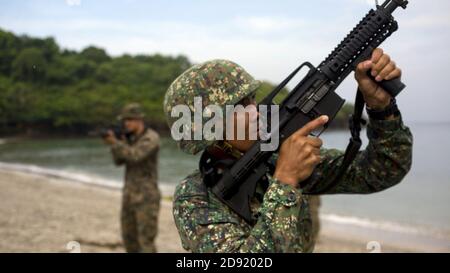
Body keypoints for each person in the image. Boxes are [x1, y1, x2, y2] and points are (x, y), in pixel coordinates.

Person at [164, 48, 413, 253]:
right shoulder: (194, 196)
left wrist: (382, 108)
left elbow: (382, 170)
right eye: (239, 107)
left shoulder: (276, 158)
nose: (255, 111)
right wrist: (285, 180)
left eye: (251, 99)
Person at [103, 103, 161, 253]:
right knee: (129, 239)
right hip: (129, 195)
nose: (126, 123)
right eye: (124, 120)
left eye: (129, 120)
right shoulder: (130, 139)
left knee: (146, 242)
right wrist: (117, 143)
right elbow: (119, 161)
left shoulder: (151, 138)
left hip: (146, 197)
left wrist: (115, 143)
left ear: (138, 120)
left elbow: (136, 156)